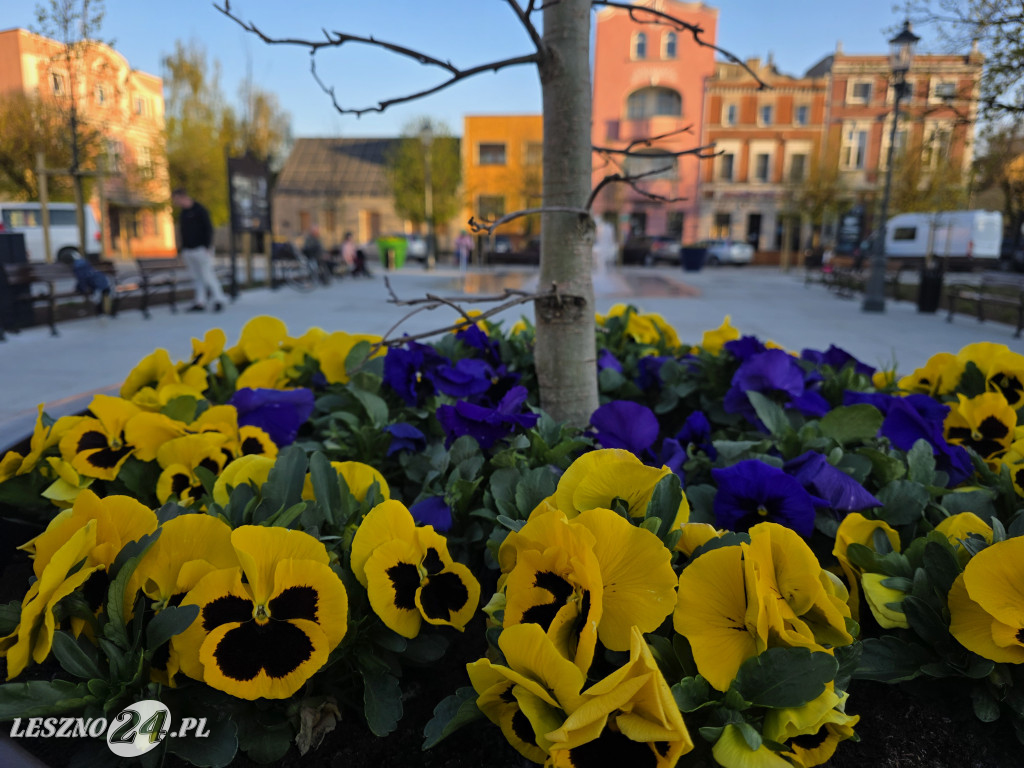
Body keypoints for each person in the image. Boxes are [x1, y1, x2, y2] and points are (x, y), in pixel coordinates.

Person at [171, 188, 226, 312]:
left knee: (207, 275)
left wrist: (207, 246)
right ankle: (200, 302)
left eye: (176, 199)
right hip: (188, 250)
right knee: (196, 277)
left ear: (182, 197)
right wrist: (182, 249)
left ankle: (219, 299)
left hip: (201, 249)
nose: (175, 202)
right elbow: (183, 232)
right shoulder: (183, 213)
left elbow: (208, 229)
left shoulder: (200, 210)